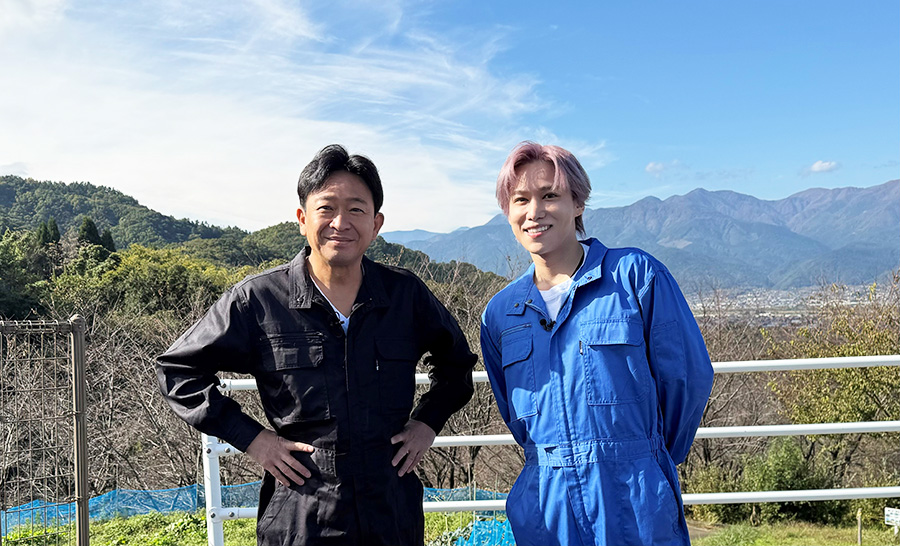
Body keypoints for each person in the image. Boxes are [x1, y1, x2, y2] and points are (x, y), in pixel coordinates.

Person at [157, 144, 477, 546]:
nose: (341, 222)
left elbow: (457, 365)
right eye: (326, 208)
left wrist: (427, 423)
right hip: (302, 515)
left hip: (392, 512)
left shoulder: (404, 295)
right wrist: (254, 440)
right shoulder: (259, 299)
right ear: (302, 219)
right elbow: (178, 371)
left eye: (356, 209)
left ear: (376, 223)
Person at [480, 142, 714, 546]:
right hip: (546, 506)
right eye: (521, 200)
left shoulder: (635, 277)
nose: (534, 212)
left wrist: (648, 457)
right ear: (508, 211)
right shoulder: (501, 314)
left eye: (549, 195)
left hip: (634, 498)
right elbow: (514, 415)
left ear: (578, 203)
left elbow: (686, 379)